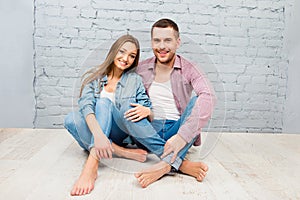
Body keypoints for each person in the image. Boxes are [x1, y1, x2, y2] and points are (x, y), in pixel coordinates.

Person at [124, 18, 216, 188]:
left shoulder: (190, 68)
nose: (161, 46)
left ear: (177, 42)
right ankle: (181, 164)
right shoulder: (141, 69)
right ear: (151, 42)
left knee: (198, 100)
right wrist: (146, 111)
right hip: (149, 131)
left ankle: (164, 165)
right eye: (157, 40)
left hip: (177, 130)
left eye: (168, 40)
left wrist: (181, 137)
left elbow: (209, 96)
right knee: (127, 112)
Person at [64, 34, 152, 196]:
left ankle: (91, 165)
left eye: (132, 56)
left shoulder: (135, 80)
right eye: (122, 52)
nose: (126, 58)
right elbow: (86, 107)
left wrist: (148, 111)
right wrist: (98, 135)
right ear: (113, 51)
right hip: (97, 133)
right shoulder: (95, 77)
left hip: (118, 131)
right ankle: (121, 151)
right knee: (70, 119)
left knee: (104, 103)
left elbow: (145, 107)